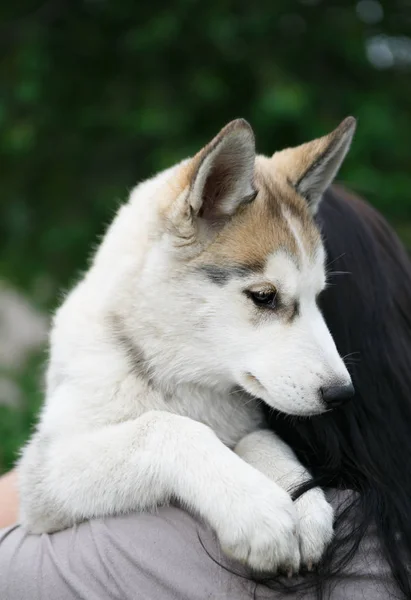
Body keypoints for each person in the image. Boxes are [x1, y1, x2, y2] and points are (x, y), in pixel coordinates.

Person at [0, 185, 410, 599]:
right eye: (266, 298)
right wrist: (178, 447)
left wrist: (272, 467)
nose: (331, 361)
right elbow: (43, 489)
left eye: (315, 301)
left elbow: (19, 542)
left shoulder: (109, 559)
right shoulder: (391, 533)